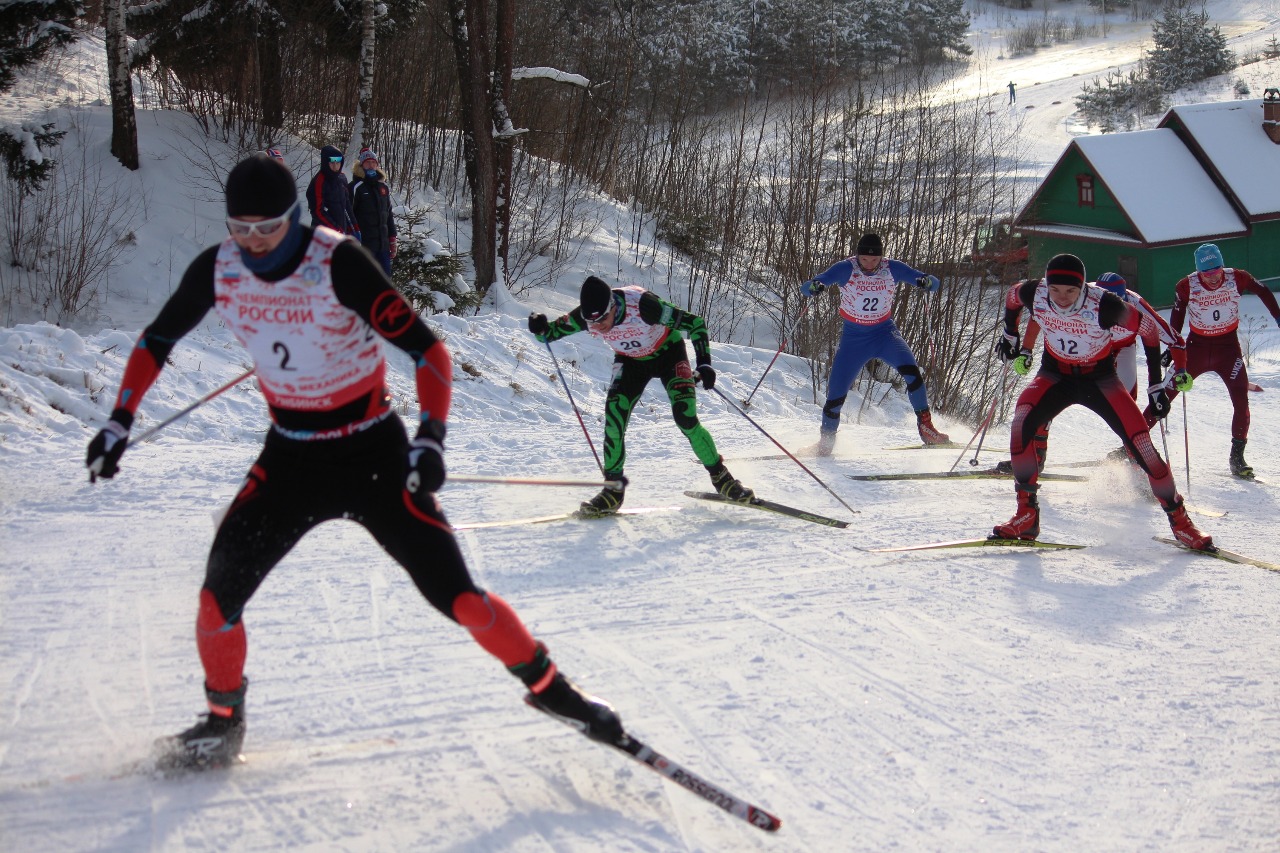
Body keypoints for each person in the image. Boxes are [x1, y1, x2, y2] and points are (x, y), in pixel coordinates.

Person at [85, 154, 623, 770]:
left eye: (269, 228)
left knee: (461, 600)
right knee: (216, 602)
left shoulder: (337, 260)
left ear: (297, 217)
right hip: (290, 458)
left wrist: (431, 439)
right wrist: (119, 420)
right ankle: (223, 721)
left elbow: (427, 351)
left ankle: (556, 693)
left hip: (373, 452)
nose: (256, 243)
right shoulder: (220, 269)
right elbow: (157, 339)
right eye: (242, 229)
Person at [993, 253, 1211, 550]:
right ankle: (1026, 514)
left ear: (1083, 286)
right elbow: (1012, 296)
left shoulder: (1105, 304)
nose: (1062, 298)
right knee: (1021, 424)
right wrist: (1010, 335)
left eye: (1071, 291)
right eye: (1056, 289)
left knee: (1143, 447)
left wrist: (1157, 384)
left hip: (1099, 379)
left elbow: (1147, 329)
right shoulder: (1036, 292)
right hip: (1055, 375)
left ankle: (1182, 524)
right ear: (1047, 283)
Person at [527, 276, 754, 516]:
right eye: (590, 322)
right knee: (614, 417)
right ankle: (613, 491)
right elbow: (547, 335)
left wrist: (705, 364)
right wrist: (538, 325)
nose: (598, 326)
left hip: (669, 354)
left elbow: (695, 323)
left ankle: (723, 479)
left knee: (685, 417)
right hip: (631, 362)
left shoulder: (644, 306)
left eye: (603, 319)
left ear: (613, 306)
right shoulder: (588, 316)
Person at [801, 232, 948, 455]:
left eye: (874, 260)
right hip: (854, 340)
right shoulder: (845, 269)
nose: (869, 264)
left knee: (912, 374)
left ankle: (927, 428)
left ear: (881, 257)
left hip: (885, 334)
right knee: (836, 395)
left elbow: (932, 282)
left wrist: (925, 281)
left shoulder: (892, 268)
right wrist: (815, 286)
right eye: (864, 259)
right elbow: (810, 285)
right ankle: (826, 443)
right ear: (857, 255)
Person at [1144, 243, 1280, 479]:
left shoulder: (1237, 277)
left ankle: (1237, 458)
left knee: (1241, 400)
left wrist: (1278, 317)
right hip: (1196, 349)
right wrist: (1171, 347)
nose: (1214, 278)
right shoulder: (1186, 286)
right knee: (1164, 396)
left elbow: (1264, 291)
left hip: (1228, 350)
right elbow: (1176, 318)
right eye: (1207, 273)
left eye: (1217, 271)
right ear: (1199, 272)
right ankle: (1134, 444)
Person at [350, 147, 397, 276]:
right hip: (364, 246)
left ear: (377, 165)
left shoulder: (383, 187)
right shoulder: (355, 187)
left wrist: (392, 239)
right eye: (367, 162)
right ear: (361, 165)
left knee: (385, 281)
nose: (371, 166)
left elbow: (388, 216)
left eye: (373, 162)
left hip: (383, 245)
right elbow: (348, 216)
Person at [304, 144, 359, 236]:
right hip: (323, 234)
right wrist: (337, 229)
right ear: (325, 162)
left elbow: (347, 205)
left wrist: (354, 227)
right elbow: (317, 212)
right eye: (332, 162)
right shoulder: (319, 181)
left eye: (338, 162)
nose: (335, 166)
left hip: (341, 233)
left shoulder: (342, 178)